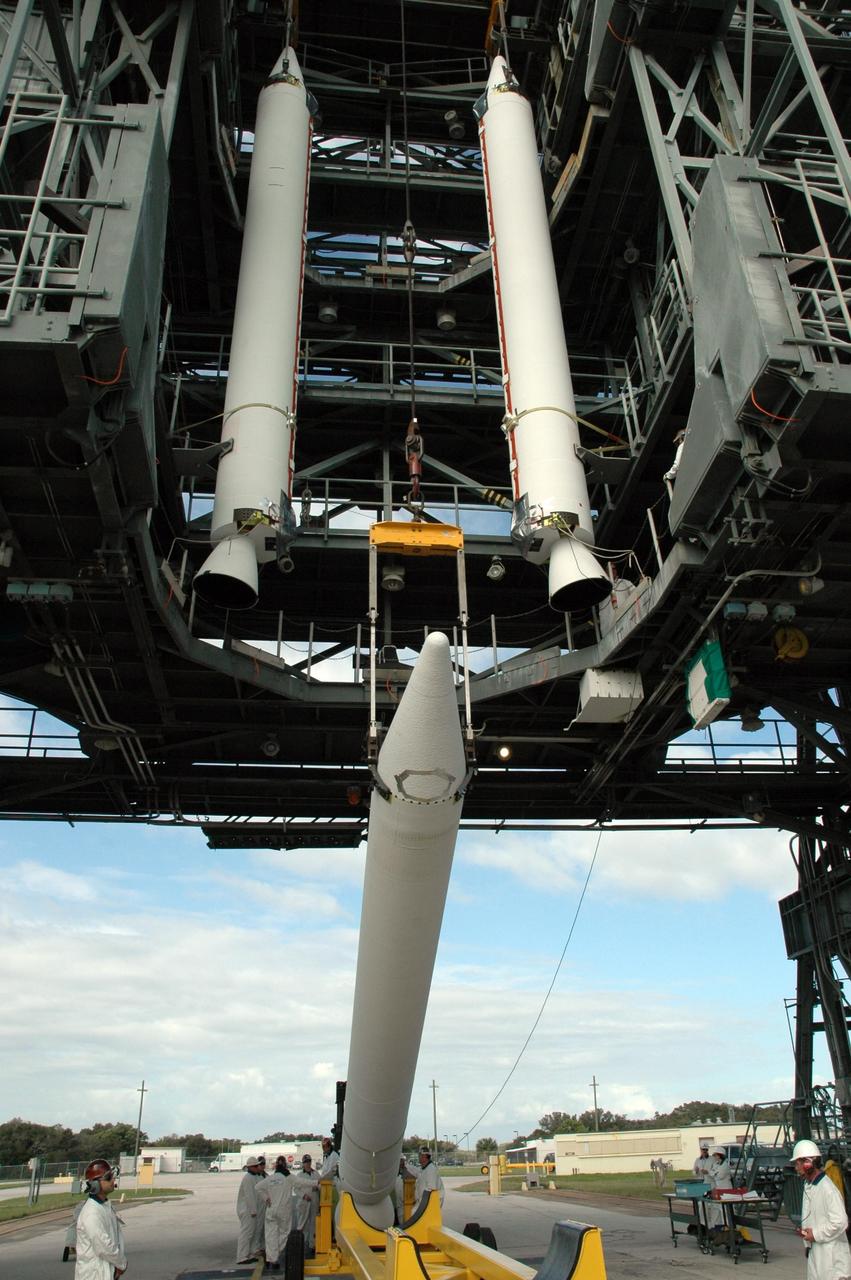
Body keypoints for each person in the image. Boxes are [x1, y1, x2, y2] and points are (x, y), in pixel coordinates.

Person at [793, 1138, 851, 1280]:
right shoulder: (809, 1185)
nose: (796, 1168)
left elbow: (841, 1222)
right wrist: (807, 1236)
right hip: (817, 1253)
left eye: (797, 1163)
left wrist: (816, 1234)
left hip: (831, 1257)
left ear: (808, 1163)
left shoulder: (827, 1189)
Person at [74, 1158, 127, 1280]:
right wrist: (122, 1264)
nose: (113, 1180)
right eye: (108, 1178)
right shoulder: (92, 1212)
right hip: (94, 1274)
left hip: (105, 1271)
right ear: (95, 1184)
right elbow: (103, 1245)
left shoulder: (105, 1206)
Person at [262, 1155, 293, 1273]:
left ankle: (271, 1257)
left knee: (271, 1235)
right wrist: (316, 1182)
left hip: (271, 1211)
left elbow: (257, 1187)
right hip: (283, 1211)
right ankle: (274, 1255)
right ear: (285, 1165)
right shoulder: (288, 1178)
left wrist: (266, 1197)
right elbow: (302, 1182)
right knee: (284, 1232)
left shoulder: (270, 1178)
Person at [236, 1155, 266, 1264]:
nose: (258, 1167)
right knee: (247, 1232)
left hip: (253, 1210)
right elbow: (249, 1195)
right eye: (256, 1166)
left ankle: (251, 1252)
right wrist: (253, 1210)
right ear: (251, 1167)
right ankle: (241, 1256)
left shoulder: (256, 1177)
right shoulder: (248, 1178)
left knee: (253, 1232)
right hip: (248, 1210)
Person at [292, 1153, 319, 1252]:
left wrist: (318, 1188)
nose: (307, 1164)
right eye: (306, 1162)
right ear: (303, 1163)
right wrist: (303, 1195)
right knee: (303, 1224)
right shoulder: (299, 1175)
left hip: (314, 1202)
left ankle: (312, 1244)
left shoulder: (316, 1174)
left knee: (313, 1223)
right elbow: (295, 1189)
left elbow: (321, 1185)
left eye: (309, 1161)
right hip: (304, 1202)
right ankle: (301, 1244)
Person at [704, 1145, 734, 1233]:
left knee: (726, 1209)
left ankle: (729, 1226)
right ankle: (719, 1226)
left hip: (726, 1189)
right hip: (719, 1189)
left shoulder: (725, 1165)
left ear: (720, 1155)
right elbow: (712, 1173)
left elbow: (720, 1176)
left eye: (716, 1155)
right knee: (718, 1208)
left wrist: (713, 1173)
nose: (715, 1157)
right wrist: (713, 1173)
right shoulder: (716, 1164)